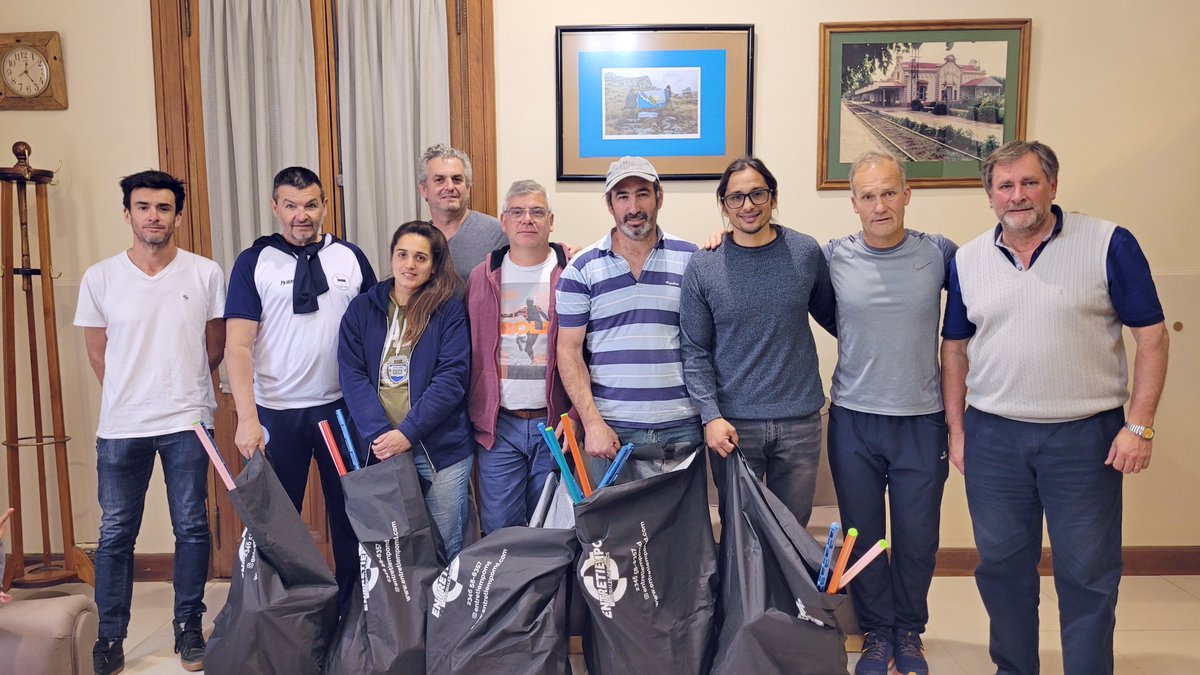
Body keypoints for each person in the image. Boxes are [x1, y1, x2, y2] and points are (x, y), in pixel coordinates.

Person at [941, 140, 1169, 675]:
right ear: (989, 196)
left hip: (1084, 438)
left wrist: (1140, 426)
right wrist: (957, 430)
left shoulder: (1109, 243)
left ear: (1053, 186)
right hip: (994, 437)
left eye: (1029, 183)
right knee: (1001, 568)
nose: (1017, 196)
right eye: (1005, 186)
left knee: (1088, 573)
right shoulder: (968, 259)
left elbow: (1153, 339)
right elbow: (954, 349)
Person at [74, 170, 226, 674]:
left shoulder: (205, 273)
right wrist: (134, 392)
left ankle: (188, 628)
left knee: (192, 525)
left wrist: (180, 390)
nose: (153, 216)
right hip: (122, 425)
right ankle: (110, 637)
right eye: (143, 207)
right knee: (116, 532)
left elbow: (215, 345)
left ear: (176, 216)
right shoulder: (100, 277)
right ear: (128, 214)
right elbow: (99, 355)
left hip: (187, 419)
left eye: (163, 208)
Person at [823, 151, 954, 675]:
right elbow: (779, 266)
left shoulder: (941, 253)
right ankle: (877, 634)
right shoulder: (831, 257)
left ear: (907, 195)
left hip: (922, 419)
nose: (880, 205)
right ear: (853, 203)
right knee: (865, 535)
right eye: (868, 196)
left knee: (918, 537)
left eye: (888, 193)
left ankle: (910, 634)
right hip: (854, 418)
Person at [224, 167, 376, 601]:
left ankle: (352, 610)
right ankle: (276, 616)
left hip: (340, 411)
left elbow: (375, 333)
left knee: (351, 518)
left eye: (310, 205)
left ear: (325, 206)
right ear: (275, 208)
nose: (300, 215)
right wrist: (246, 419)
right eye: (290, 206)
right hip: (275, 413)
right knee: (274, 524)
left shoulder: (350, 257)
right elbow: (237, 346)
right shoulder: (254, 262)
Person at [680, 157, 836, 529]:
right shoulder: (704, 266)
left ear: (773, 197)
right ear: (723, 206)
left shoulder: (805, 252)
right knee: (739, 530)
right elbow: (694, 351)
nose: (747, 205)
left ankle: (786, 592)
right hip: (732, 426)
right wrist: (711, 415)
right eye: (736, 198)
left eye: (757, 194)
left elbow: (836, 319)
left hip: (800, 423)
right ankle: (741, 592)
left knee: (792, 532)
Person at [556, 156, 701, 478]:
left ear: (659, 198)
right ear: (610, 205)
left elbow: (709, 345)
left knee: (681, 530)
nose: (633, 207)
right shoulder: (581, 269)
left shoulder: (692, 260)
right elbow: (568, 351)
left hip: (683, 429)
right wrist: (591, 422)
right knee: (614, 529)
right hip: (611, 432)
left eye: (642, 194)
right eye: (622, 196)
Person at [338, 220, 474, 559]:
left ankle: (442, 614)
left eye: (420, 258)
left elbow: (451, 379)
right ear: (391, 257)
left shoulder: (448, 312)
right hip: (381, 449)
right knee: (392, 552)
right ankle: (404, 616)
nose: (409, 265)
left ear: (434, 266)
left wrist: (408, 434)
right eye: (402, 255)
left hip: (439, 452)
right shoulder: (362, 309)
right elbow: (351, 375)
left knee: (445, 548)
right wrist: (381, 435)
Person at [465, 180, 572, 534]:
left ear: (551, 220)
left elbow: (586, 351)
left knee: (553, 530)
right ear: (504, 221)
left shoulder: (573, 272)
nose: (527, 219)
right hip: (500, 428)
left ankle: (549, 593)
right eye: (518, 212)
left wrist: (575, 417)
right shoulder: (483, 277)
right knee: (500, 531)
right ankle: (507, 593)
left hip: (555, 424)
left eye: (537, 212)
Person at [418, 144, 507, 290]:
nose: (450, 187)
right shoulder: (415, 238)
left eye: (457, 179)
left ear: (468, 188)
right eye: (439, 180)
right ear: (423, 190)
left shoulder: (497, 234)